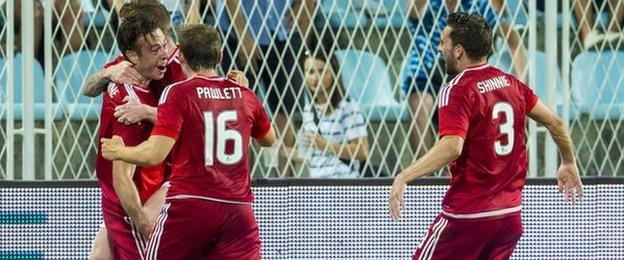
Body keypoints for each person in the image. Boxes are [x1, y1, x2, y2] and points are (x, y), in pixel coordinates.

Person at [388, 12, 583, 259]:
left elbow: (452, 146)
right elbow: (556, 123)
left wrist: (404, 176)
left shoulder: (457, 88)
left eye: (443, 43)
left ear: (458, 51)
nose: (439, 48)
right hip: (510, 217)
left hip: (467, 219)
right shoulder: (512, 83)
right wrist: (567, 162)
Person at [101, 24, 276, 259]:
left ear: (180, 55)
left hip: (191, 206)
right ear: (219, 56)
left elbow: (154, 154)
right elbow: (269, 139)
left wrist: (120, 152)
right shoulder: (245, 94)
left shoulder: (178, 93)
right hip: (238, 210)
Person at [404, 0, 526, 160]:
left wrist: (521, 80)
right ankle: (425, 176)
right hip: (425, 71)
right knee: (420, 102)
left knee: (486, 104)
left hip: (467, 73)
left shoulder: (479, 5)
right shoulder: (429, 4)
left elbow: (510, 36)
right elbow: (413, 12)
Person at [95, 15, 169, 259]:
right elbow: (121, 177)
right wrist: (145, 224)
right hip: (132, 206)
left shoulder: (121, 72)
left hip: (121, 201)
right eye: (155, 48)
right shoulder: (130, 107)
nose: (164, 54)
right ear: (134, 56)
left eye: (164, 44)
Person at [218, 0, 317, 176]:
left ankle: (285, 185)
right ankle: (241, 182)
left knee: (286, 111)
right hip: (238, 32)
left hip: (283, 30)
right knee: (240, 113)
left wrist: (308, 4)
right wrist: (243, 35)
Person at [287, 49, 369, 178]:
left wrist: (326, 146)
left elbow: (362, 151)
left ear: (333, 73)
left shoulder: (347, 106)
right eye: (310, 72)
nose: (315, 78)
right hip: (317, 186)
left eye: (321, 71)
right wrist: (282, 151)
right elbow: (313, 156)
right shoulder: (309, 110)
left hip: (344, 184)